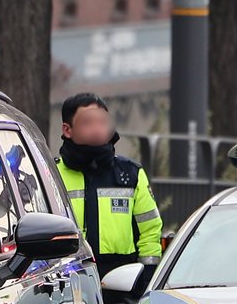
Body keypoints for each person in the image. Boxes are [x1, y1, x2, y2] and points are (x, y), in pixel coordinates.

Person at [55, 93, 163, 290]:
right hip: (66, 281)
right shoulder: (52, 175)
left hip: (123, 282)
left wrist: (147, 278)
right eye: (88, 123)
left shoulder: (131, 174)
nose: (97, 129)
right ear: (67, 129)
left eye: (103, 122)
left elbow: (150, 230)